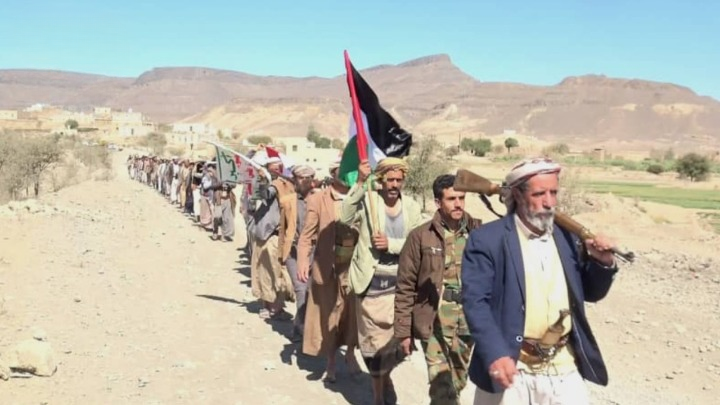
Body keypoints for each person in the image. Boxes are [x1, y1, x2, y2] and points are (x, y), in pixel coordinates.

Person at [461, 157, 619, 405]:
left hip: (563, 367)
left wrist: (602, 263)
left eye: (553, 193)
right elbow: (475, 303)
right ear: (517, 195)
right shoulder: (487, 240)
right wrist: (495, 353)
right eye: (539, 194)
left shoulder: (569, 238)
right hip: (511, 368)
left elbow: (591, 292)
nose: (549, 202)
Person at [339, 157, 423, 405]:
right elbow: (344, 217)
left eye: (399, 180)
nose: (394, 184)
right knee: (373, 344)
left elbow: (416, 242)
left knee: (396, 342)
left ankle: (385, 376)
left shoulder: (412, 207)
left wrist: (391, 244)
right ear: (381, 180)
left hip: (400, 285)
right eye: (390, 179)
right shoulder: (369, 200)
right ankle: (378, 397)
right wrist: (361, 183)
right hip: (371, 283)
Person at [394, 174, 483, 405]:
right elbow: (405, 286)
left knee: (458, 381)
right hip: (433, 320)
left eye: (462, 198)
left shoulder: (479, 233)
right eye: (452, 199)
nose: (458, 204)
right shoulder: (420, 237)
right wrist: (403, 331)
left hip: (468, 321)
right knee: (441, 384)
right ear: (437, 202)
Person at [297, 159, 361, 383]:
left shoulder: (362, 198)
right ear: (333, 173)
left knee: (352, 315)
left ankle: (351, 352)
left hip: (353, 268)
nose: (348, 176)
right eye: (343, 171)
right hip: (328, 267)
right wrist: (303, 260)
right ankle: (331, 362)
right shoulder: (318, 199)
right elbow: (307, 234)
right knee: (329, 315)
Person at [250, 156, 295, 320]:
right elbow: (259, 196)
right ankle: (268, 305)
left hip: (275, 235)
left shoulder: (282, 185)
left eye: (278, 168)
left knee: (274, 272)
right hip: (265, 234)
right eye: (273, 168)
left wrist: (263, 181)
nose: (275, 171)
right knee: (263, 271)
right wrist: (261, 180)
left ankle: (275, 307)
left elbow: (266, 195)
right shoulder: (275, 184)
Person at [284, 164, 316, 341]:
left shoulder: (319, 200)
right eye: (300, 178)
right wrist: (281, 254)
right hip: (293, 252)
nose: (303, 181)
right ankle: (304, 332)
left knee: (311, 292)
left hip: (314, 252)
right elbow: (283, 229)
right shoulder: (288, 201)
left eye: (306, 178)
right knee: (301, 289)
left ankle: (299, 325)